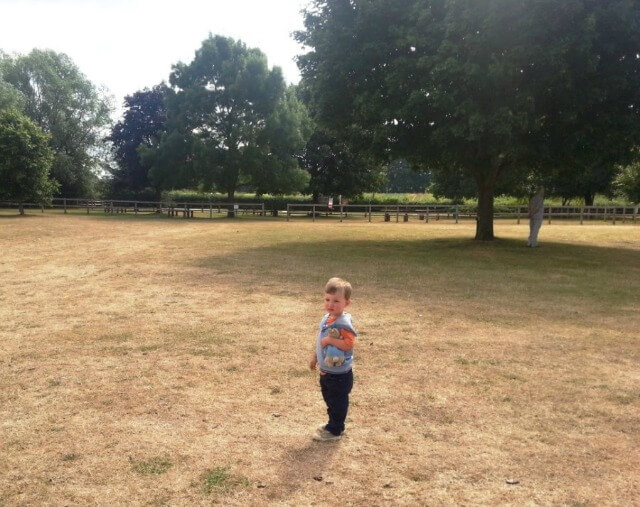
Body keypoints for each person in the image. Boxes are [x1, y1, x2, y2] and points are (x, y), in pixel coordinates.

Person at [309, 277, 357, 441]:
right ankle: (333, 423)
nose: (330, 304)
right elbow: (320, 342)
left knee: (338, 401)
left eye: (336, 301)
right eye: (327, 299)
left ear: (346, 303)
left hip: (340, 374)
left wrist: (330, 340)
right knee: (329, 399)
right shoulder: (327, 318)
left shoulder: (343, 323)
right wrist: (315, 357)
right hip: (327, 371)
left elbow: (348, 344)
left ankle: (336, 430)